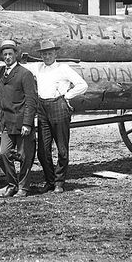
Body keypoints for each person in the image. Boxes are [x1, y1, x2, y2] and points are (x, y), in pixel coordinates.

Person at [0, 39, 37, 197]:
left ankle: (23, 188)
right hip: (7, 123)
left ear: (16, 54)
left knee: (25, 157)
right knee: (3, 153)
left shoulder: (25, 74)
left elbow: (31, 100)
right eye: (5, 55)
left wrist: (27, 124)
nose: (7, 57)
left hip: (22, 122)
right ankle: (12, 185)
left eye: (10, 54)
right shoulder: (1, 72)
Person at [29, 39, 88, 194]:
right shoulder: (38, 67)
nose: (47, 56)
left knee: (62, 149)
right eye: (44, 54)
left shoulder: (63, 68)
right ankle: (50, 181)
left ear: (55, 53)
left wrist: (67, 96)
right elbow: (20, 68)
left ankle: (59, 183)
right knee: (42, 151)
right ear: (40, 55)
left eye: (49, 53)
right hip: (42, 108)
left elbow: (83, 85)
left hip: (59, 106)